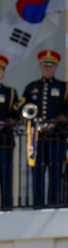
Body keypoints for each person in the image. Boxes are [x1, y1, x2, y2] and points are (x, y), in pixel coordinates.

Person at [14, 50, 68, 208]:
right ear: (41, 67)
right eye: (45, 65)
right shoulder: (31, 87)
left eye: (51, 65)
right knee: (37, 173)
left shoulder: (65, 87)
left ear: (56, 67)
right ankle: (38, 204)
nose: (47, 68)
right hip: (37, 140)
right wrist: (31, 121)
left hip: (57, 138)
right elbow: (20, 108)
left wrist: (57, 121)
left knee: (56, 172)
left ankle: (54, 204)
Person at [0, 55, 18, 211]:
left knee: (5, 175)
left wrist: (5, 124)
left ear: (4, 73)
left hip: (4, 140)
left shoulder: (10, 93)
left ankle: (6, 207)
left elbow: (16, 116)